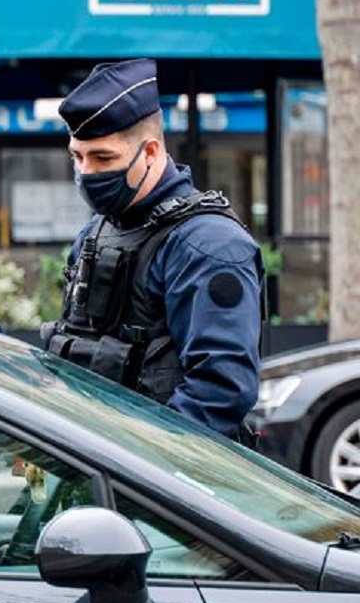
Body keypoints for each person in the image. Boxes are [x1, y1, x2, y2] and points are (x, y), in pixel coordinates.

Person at [40, 58, 263, 437]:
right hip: (98, 462)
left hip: (165, 479)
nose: (88, 172)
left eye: (103, 157)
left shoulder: (209, 245)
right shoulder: (97, 232)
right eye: (78, 157)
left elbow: (219, 392)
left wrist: (135, 463)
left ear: (151, 152)